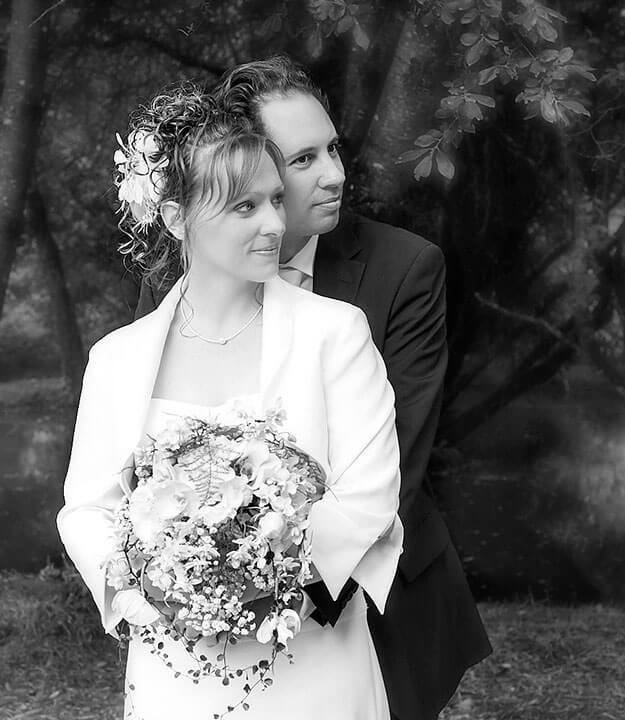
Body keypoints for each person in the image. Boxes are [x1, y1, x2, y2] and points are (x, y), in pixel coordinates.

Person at [136, 57, 491, 720]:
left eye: (332, 148)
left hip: (375, 599)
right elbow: (153, 453)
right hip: (203, 615)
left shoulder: (404, 269)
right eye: (303, 160)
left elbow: (396, 464)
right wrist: (191, 580)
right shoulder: (180, 281)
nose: (335, 174)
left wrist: (270, 593)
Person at [58, 84, 402, 719]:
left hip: (311, 662)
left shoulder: (335, 333)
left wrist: (265, 589)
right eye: (245, 206)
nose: (275, 224)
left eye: (276, 200)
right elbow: (86, 509)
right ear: (175, 217)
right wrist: (157, 590)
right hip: (175, 667)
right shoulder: (117, 359)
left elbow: (369, 496)